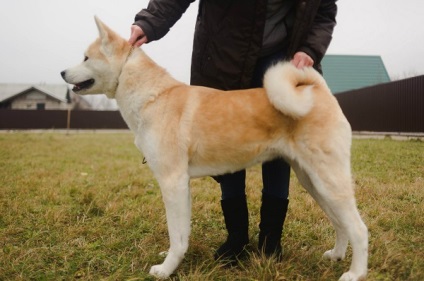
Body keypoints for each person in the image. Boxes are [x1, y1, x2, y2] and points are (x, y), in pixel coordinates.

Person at [129, 0, 337, 263]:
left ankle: (271, 239)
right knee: (224, 138)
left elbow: (324, 10)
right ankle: (236, 237)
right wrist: (149, 22)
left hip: (280, 55)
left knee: (279, 144)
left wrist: (310, 48)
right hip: (224, 53)